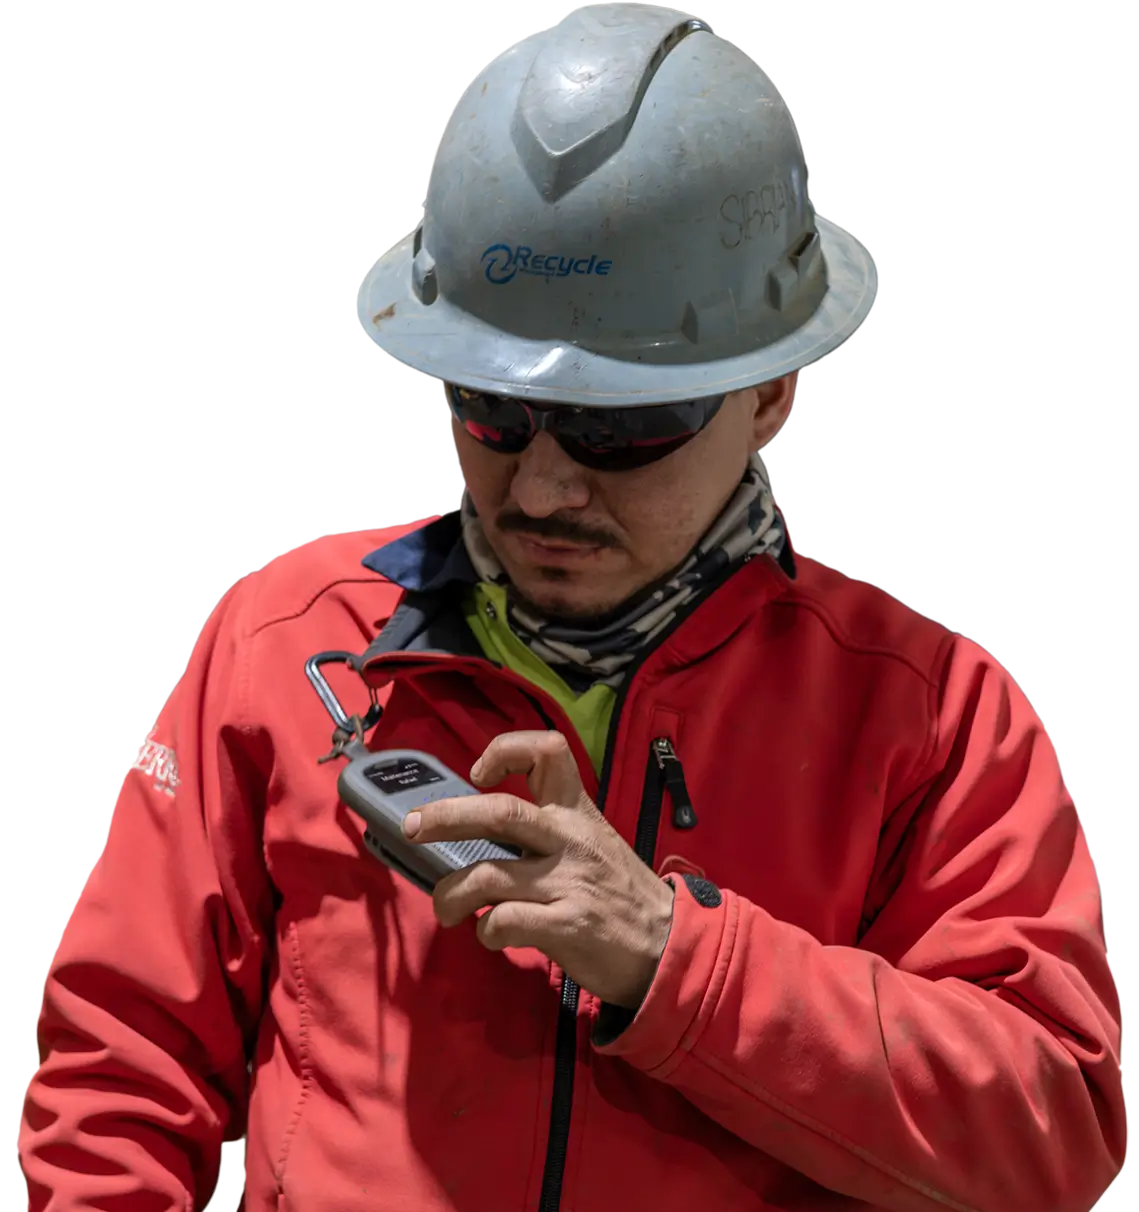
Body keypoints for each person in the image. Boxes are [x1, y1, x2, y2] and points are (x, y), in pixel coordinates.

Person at [17, 3, 1128, 1210]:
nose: (541, 488)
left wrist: (670, 956)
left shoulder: (931, 722)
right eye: (491, 409)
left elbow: (1048, 1137)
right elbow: (118, 1075)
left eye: (621, 427)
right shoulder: (288, 646)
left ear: (768, 396)